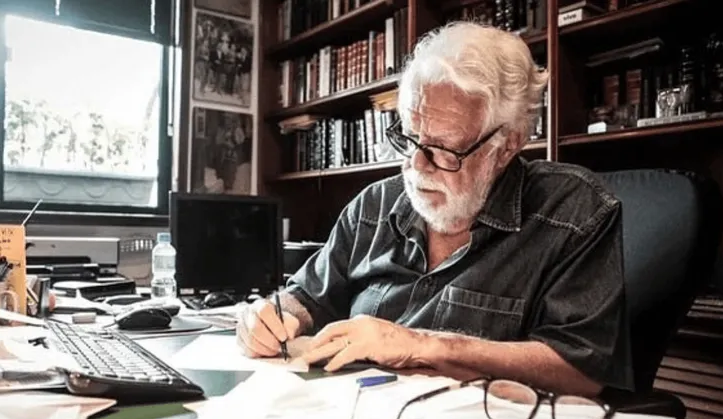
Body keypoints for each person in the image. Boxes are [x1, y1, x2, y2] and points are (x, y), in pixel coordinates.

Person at [236, 22, 633, 397]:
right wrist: (272, 317)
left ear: (507, 145)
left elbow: (582, 370)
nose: (416, 165)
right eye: (410, 137)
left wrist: (421, 345)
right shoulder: (373, 206)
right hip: (350, 415)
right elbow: (306, 297)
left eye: (442, 149)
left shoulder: (572, 211)